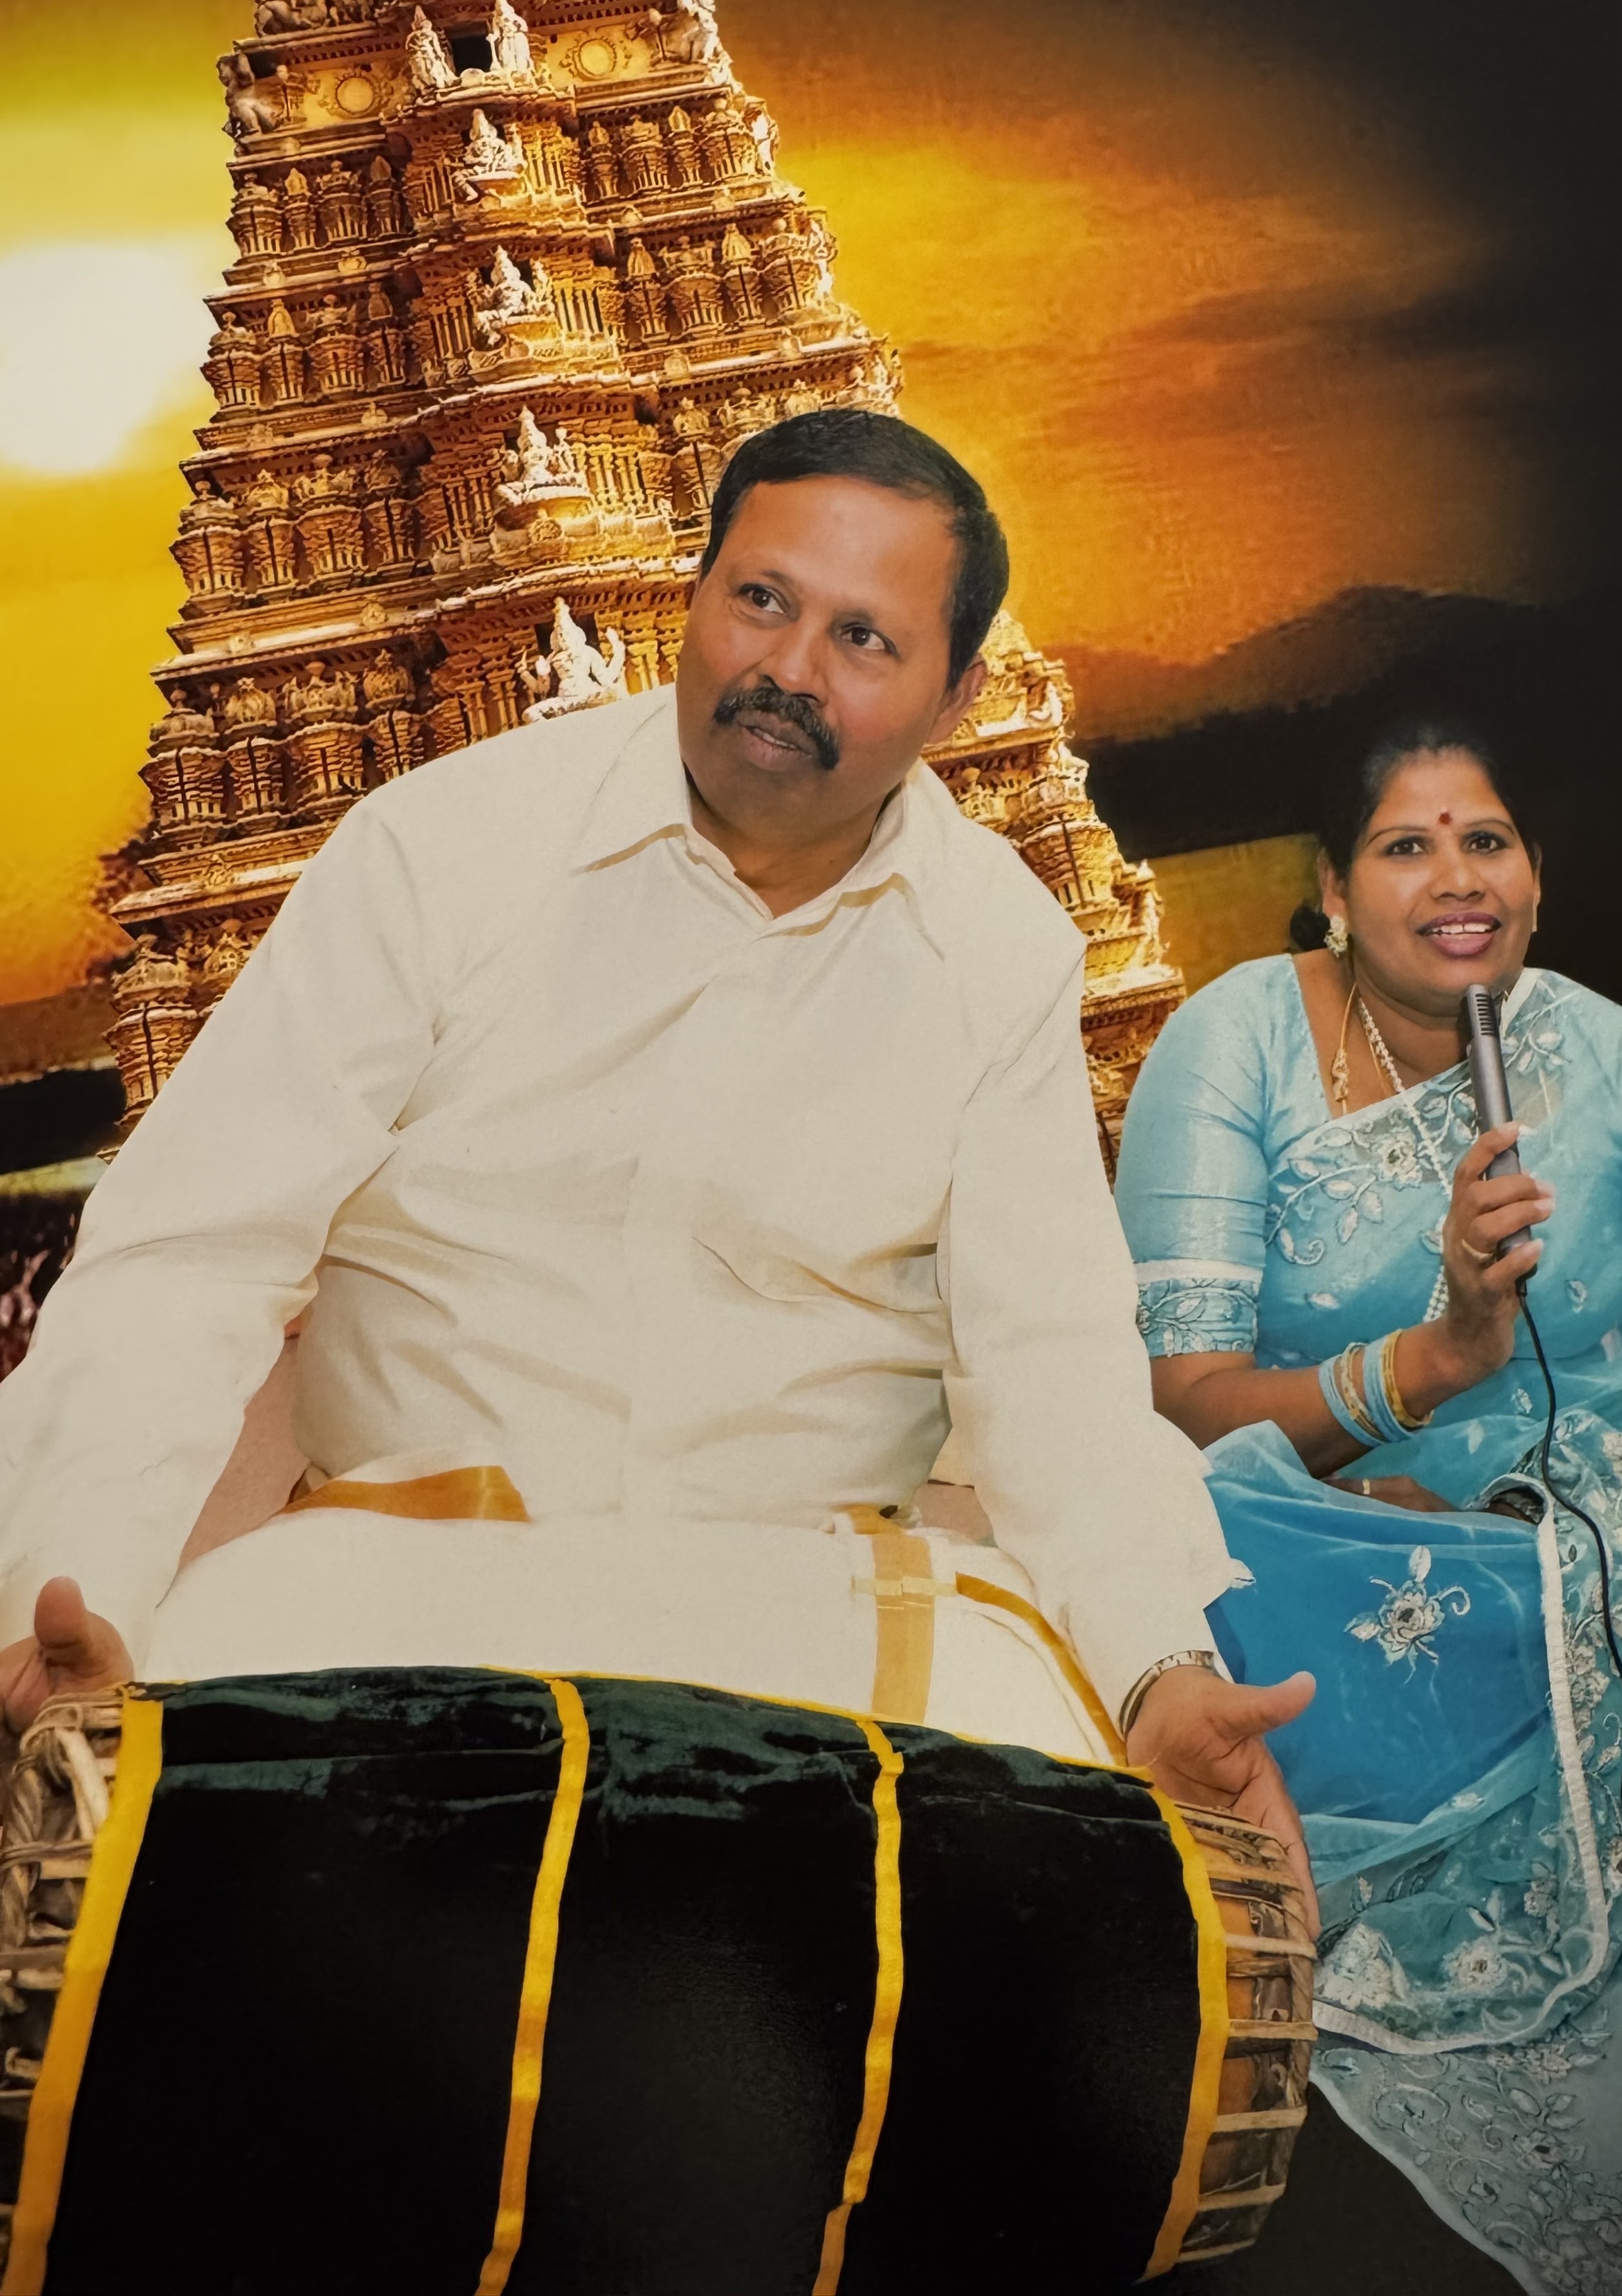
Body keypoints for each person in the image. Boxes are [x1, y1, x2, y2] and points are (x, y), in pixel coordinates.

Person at [0, 411, 1315, 1888]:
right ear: (691, 597)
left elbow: (1054, 1372)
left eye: (864, 639)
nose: (791, 667)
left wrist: (1155, 1670)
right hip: (403, 1579)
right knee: (169, 1874)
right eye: (761, 599)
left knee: (1063, 1891)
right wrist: (69, 1583)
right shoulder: (441, 850)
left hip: (817, 1607)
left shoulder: (995, 950)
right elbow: (189, 1254)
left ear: (956, 698)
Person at [1113, 720, 1622, 2293]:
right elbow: (1180, 1394)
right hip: (1317, 1497)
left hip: (1591, 1450)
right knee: (1374, 1583)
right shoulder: (1236, 1045)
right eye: (1407, 846)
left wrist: (1595, 1476)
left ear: (1535, 874)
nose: (1457, 880)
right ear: (1332, 886)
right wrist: (1432, 1360)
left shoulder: (1603, 1052)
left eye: (1487, 840)